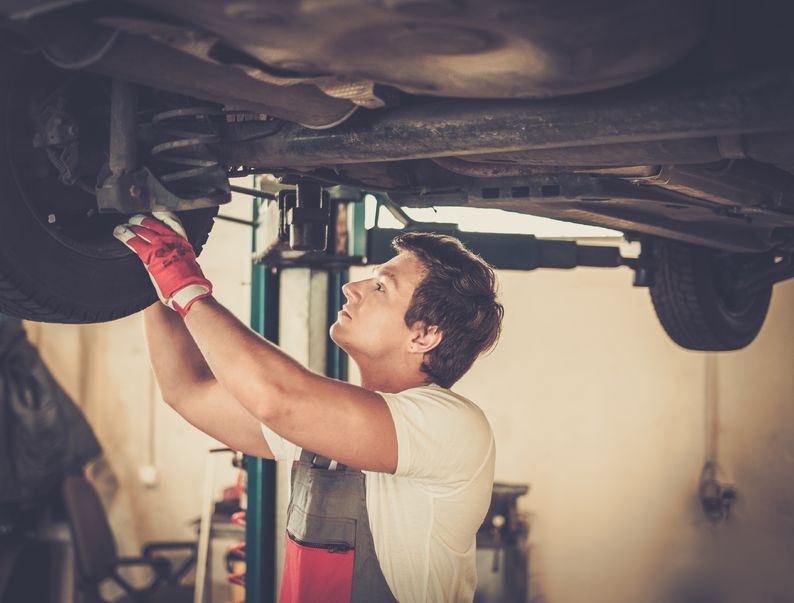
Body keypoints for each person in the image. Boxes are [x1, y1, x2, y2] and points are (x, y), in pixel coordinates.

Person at [113, 211, 504, 603]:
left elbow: (279, 400)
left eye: (382, 287)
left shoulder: (450, 425)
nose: (352, 287)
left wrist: (185, 287)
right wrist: (149, 281)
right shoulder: (331, 428)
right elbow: (188, 389)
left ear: (424, 335)